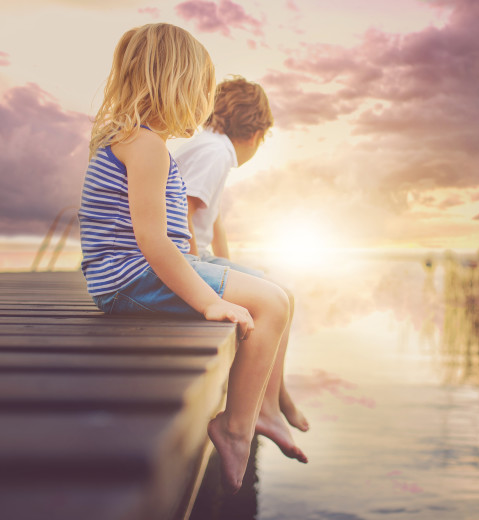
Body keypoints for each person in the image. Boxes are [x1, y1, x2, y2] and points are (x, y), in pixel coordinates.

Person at [77, 23, 306, 494]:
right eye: (203, 89)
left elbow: (171, 237)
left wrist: (211, 274)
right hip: (131, 280)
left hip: (127, 276)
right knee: (272, 305)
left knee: (276, 293)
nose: (206, 103)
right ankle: (236, 427)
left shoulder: (135, 141)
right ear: (178, 85)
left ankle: (262, 410)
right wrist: (208, 300)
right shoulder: (146, 147)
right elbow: (153, 241)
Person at [173, 77, 310, 450]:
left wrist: (229, 269)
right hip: (186, 260)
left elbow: (210, 217)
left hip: (198, 256)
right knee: (278, 297)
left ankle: (274, 400)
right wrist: (191, 271)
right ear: (257, 134)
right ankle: (267, 406)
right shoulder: (216, 152)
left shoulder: (210, 147)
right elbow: (184, 208)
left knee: (282, 294)